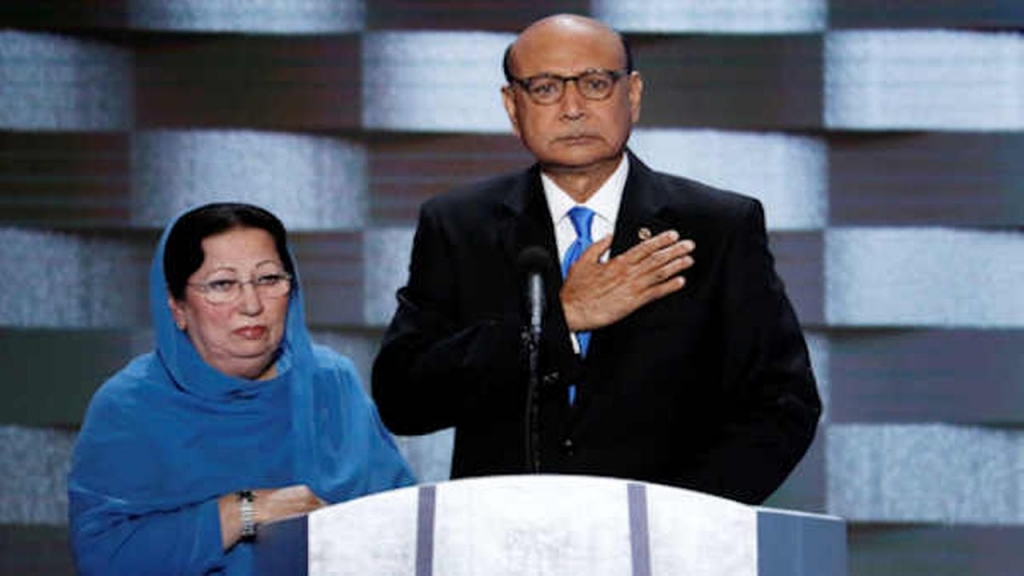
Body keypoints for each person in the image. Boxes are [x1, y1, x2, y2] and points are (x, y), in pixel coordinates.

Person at [371, 14, 821, 505]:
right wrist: (558, 323)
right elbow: (405, 398)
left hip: (669, 544)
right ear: (512, 106)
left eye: (594, 83)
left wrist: (683, 517)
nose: (572, 108)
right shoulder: (459, 225)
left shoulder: (716, 226)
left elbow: (783, 404)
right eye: (544, 88)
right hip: (504, 538)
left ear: (632, 95)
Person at [68, 202, 415, 575]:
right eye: (222, 284)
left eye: (268, 279)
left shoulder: (330, 381)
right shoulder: (130, 406)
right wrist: (242, 511)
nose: (251, 305)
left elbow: (401, 522)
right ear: (177, 307)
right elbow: (105, 557)